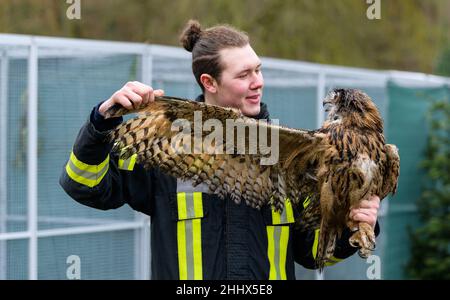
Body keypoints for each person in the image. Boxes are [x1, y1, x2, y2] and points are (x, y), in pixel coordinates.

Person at [60, 20, 381, 280]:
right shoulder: (166, 143)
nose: (259, 82)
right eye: (244, 75)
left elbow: (310, 253)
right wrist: (102, 121)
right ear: (209, 82)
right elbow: (85, 185)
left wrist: (352, 227)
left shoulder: (288, 154)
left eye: (258, 69)